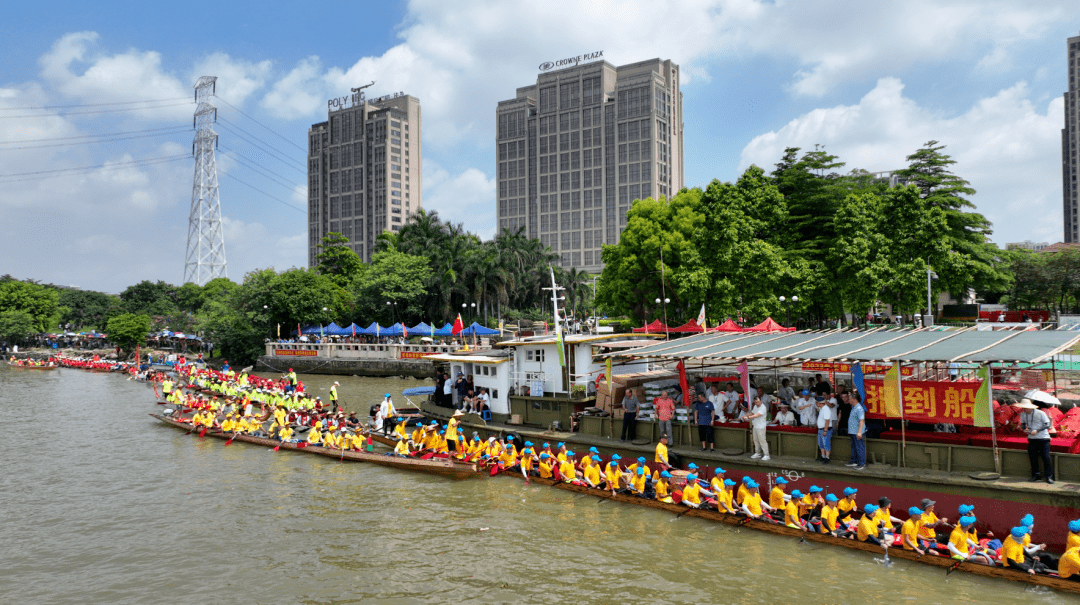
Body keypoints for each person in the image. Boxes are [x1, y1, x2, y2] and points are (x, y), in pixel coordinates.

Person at [1018, 399, 1054, 484]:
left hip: (1043, 438)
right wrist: (1024, 429)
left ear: (1030, 407)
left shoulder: (1040, 413)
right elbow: (1023, 424)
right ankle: (1035, 475)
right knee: (1032, 457)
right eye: (1023, 408)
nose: (1024, 409)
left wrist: (1037, 430)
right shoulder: (1023, 414)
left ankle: (1049, 476)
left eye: (1026, 408)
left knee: (1046, 457)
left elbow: (1047, 424)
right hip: (1031, 438)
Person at [846, 391, 866, 469]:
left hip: (857, 432)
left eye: (850, 398)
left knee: (859, 447)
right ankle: (854, 461)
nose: (849, 400)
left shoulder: (859, 408)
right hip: (853, 431)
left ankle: (861, 463)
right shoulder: (854, 407)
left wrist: (859, 432)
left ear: (854, 399)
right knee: (854, 447)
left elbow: (861, 420)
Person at [747, 396, 769, 460]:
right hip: (755, 426)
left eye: (758, 402)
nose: (757, 403)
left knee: (762, 441)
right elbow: (752, 413)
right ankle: (757, 453)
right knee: (756, 440)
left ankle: (767, 455)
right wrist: (746, 415)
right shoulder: (755, 406)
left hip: (761, 427)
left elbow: (756, 415)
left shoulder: (763, 407)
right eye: (756, 402)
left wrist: (748, 417)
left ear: (761, 401)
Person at [816, 397, 834, 463]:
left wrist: (825, 430)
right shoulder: (822, 409)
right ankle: (823, 456)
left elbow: (827, 421)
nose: (816, 403)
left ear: (819, 403)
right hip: (821, 429)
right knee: (821, 444)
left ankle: (827, 457)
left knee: (826, 444)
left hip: (825, 429)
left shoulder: (826, 409)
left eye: (816, 402)